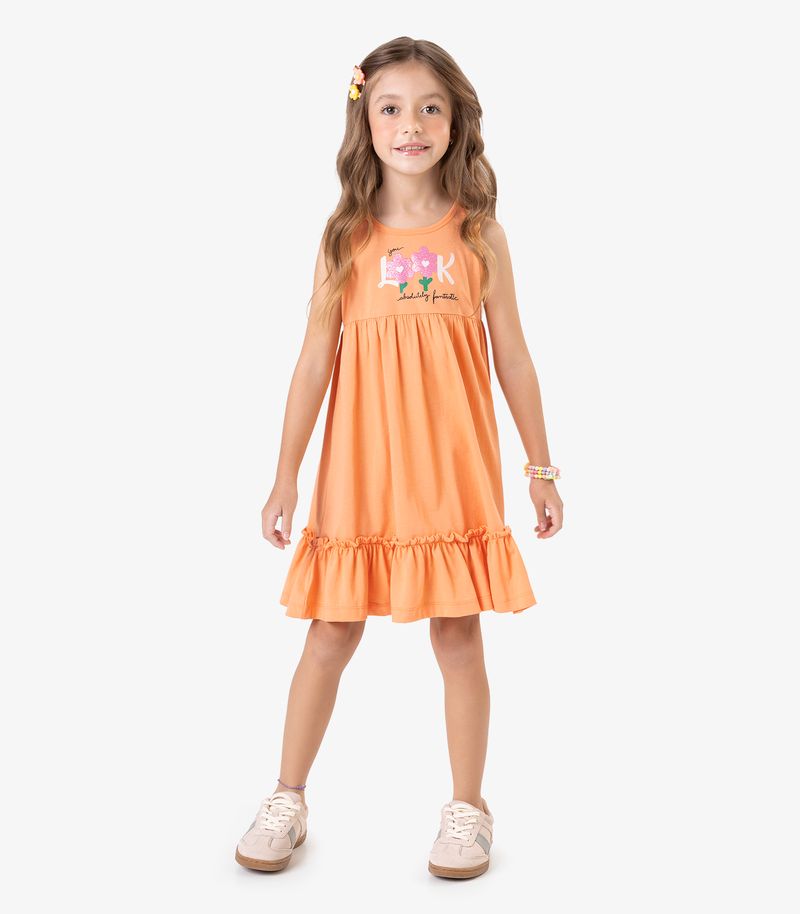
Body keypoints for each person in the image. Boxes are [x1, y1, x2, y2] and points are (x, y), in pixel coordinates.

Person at [235, 37, 564, 879]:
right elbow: (313, 360)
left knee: (458, 633)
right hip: (361, 472)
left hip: (451, 471)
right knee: (330, 631)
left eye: (429, 108)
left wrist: (540, 467)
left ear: (455, 123)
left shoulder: (479, 234)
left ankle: (468, 807)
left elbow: (514, 356)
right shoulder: (345, 237)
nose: (410, 125)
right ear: (365, 120)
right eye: (391, 108)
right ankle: (287, 795)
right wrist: (285, 475)